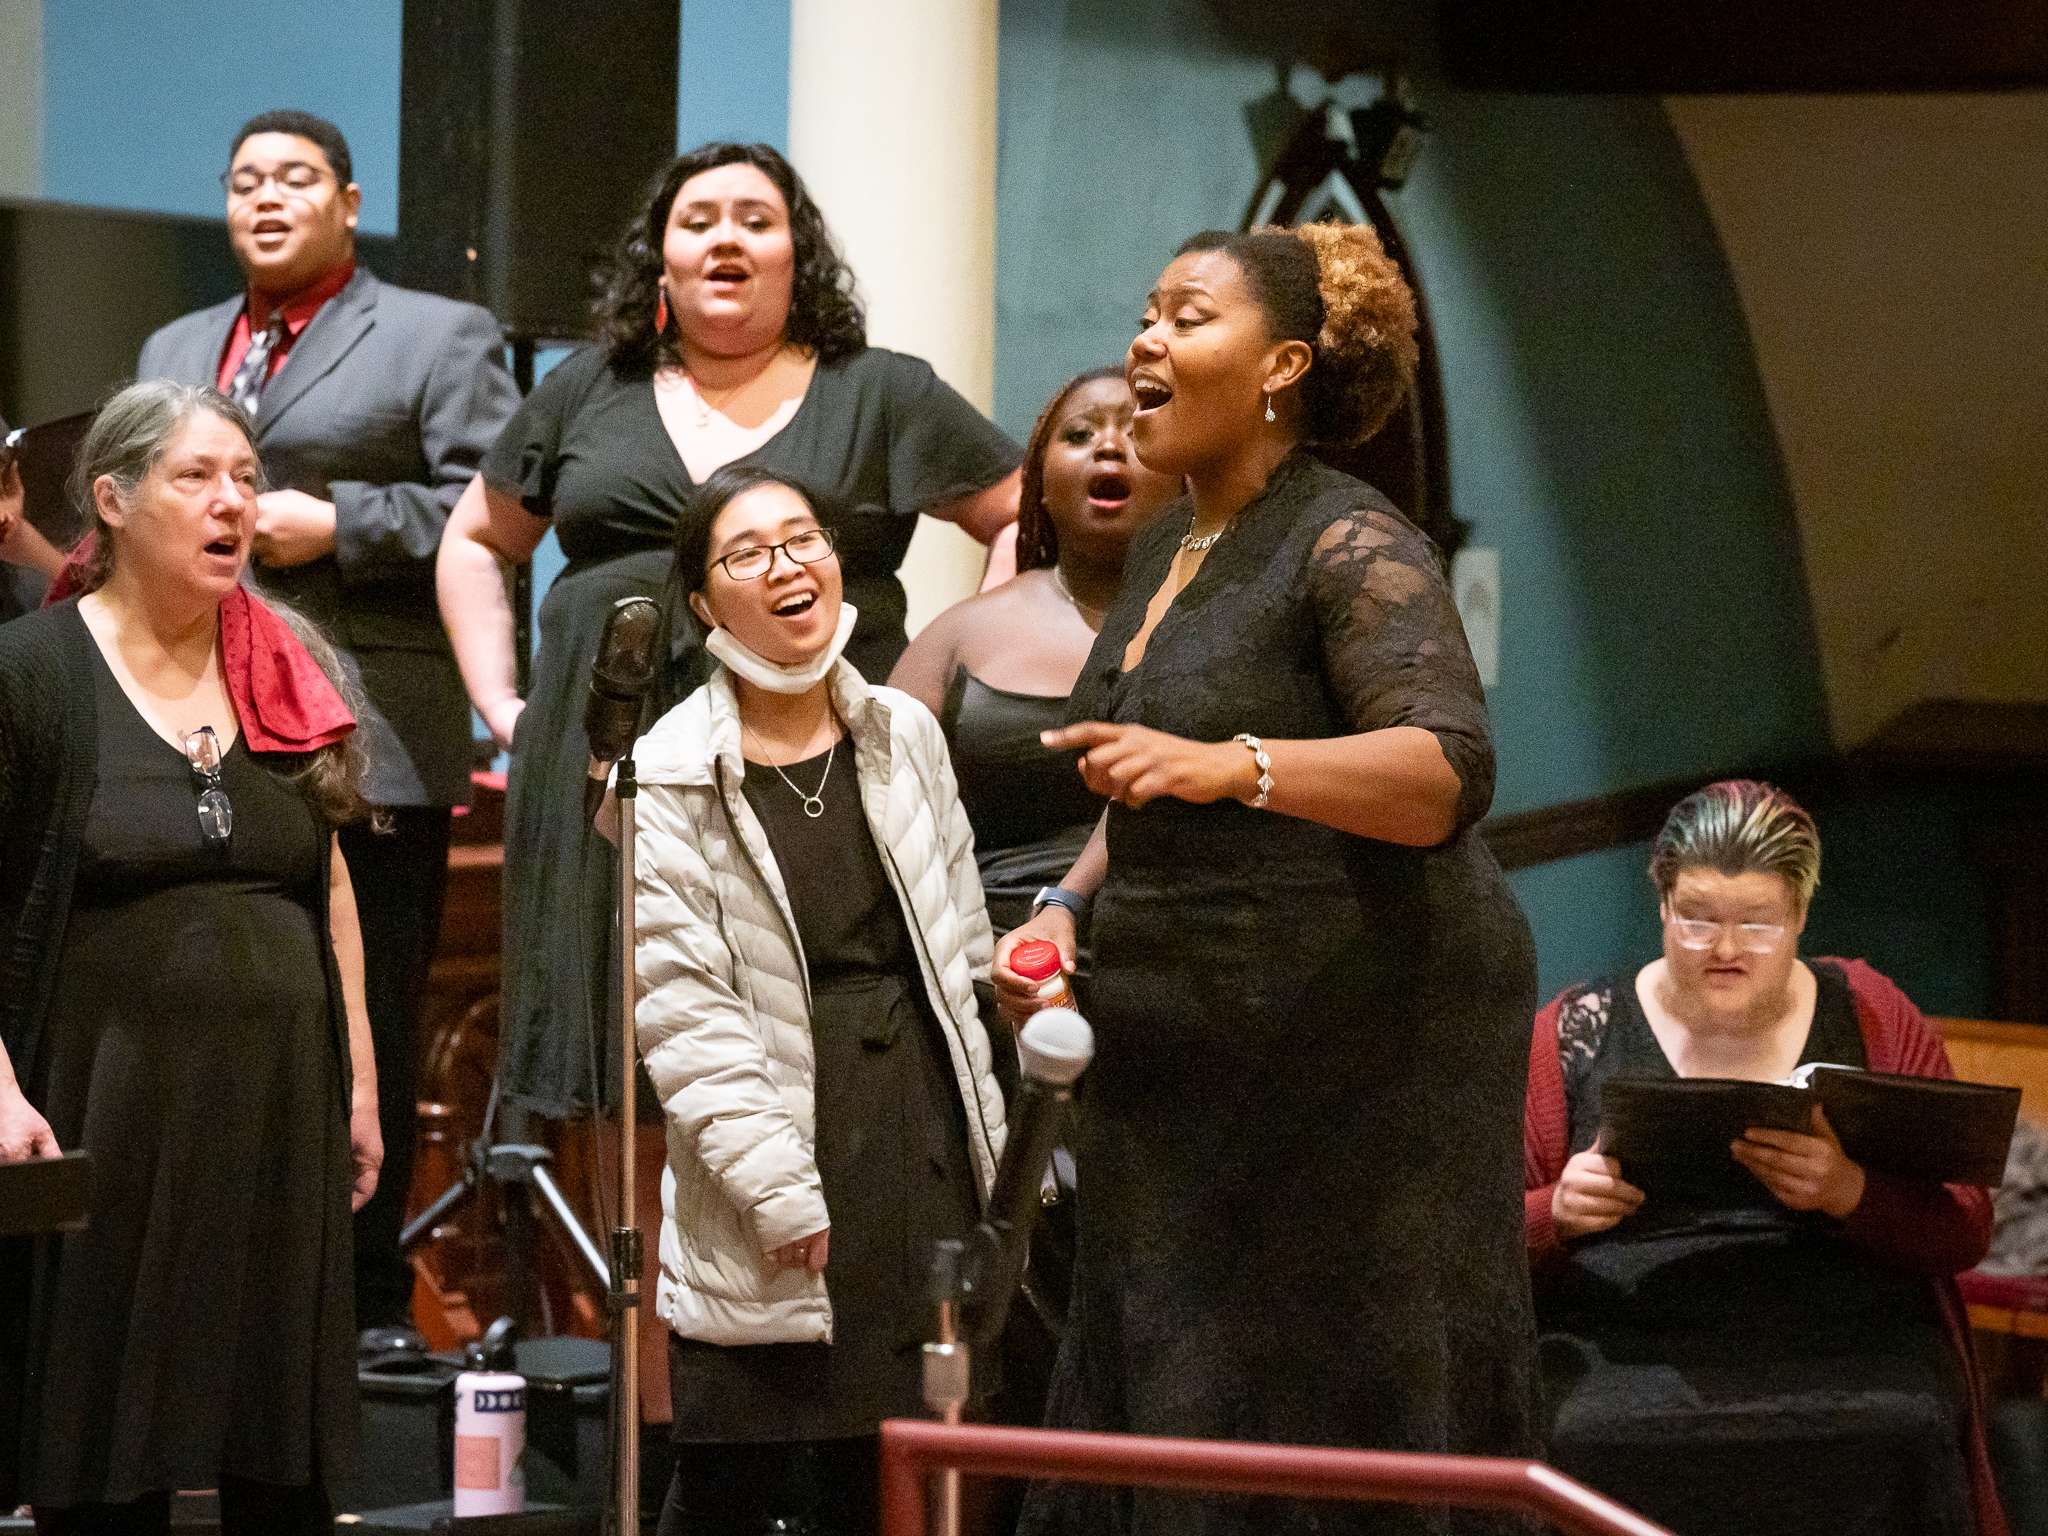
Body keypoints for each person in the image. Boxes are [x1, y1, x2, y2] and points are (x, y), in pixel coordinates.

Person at [994, 225, 1538, 1535]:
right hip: (1182, 1035)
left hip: (1356, 1041)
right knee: (1164, 1385)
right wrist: (1066, 905)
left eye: (1187, 317)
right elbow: (1148, 772)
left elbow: (1446, 769)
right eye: (1145, 312)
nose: (1146, 341)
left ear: (1284, 364)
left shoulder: (1350, 539)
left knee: (1307, 1400)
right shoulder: (1171, 544)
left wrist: (1240, 766)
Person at [438, 141, 1022, 1119]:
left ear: (799, 254)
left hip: (818, 759)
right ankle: (665, 1279)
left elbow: (1018, 514)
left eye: (756, 219)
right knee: (642, 1063)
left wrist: (947, 677)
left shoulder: (880, 390)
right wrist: (503, 704)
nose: (725, 238)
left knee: (819, 1034)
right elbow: (473, 539)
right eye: (697, 220)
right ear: (657, 257)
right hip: (609, 760)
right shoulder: (589, 387)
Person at [131, 109, 519, 1339]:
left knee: (367, 1017)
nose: (266, 197)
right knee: (204, 1004)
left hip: (368, 729)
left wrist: (341, 521)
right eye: (244, 179)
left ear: (349, 202)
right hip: (190, 723)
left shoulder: (436, 333)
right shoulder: (179, 342)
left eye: (295, 178)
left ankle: (355, 1307)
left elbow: (495, 505)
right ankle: (211, 1292)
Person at [0, 381, 379, 1533]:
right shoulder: (32, 671)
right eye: (197, 478)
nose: (233, 505)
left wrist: (358, 1076)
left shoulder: (283, 657)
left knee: (278, 1449)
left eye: (248, 481)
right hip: (105, 1104)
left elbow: (325, 881)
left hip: (277, 1111)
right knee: (105, 1451)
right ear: (110, 500)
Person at [622, 464, 1006, 1535]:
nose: (789, 564)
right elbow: (682, 1008)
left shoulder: (902, 731)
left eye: (805, 539)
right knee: (754, 1475)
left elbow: (961, 940)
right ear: (703, 603)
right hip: (784, 1140)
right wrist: (774, 1189)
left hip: (917, 1133)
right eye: (749, 552)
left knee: (909, 1471)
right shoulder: (667, 771)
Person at [1524, 780, 2006, 1536]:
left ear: (1800, 917)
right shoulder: (1576, 1028)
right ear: (1662, 907)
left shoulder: (1872, 1012)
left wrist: (1851, 1191)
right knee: (1581, 1434)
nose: (1723, 949)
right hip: (1632, 1342)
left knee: (1904, 1426)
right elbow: (1472, 1244)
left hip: (1845, 1333)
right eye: (1697, 919)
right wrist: (1554, 1212)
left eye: (1756, 924)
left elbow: (1964, 1230)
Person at [889, 367, 1179, 940]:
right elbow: (877, 805)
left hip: (1179, 948)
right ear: (1038, 482)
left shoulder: (1231, 620)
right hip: (991, 955)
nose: (1109, 447)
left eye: (1136, 432)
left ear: (1187, 478)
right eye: (1079, 435)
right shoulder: (960, 635)